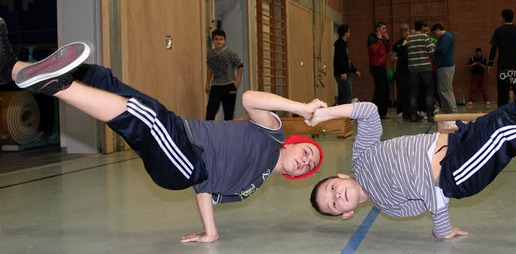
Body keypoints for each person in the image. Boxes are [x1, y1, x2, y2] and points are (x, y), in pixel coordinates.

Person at [309, 8, 516, 239]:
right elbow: (435, 200)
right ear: (347, 214)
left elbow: (365, 113)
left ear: (339, 176)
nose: (338, 197)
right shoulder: (391, 206)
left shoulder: (361, 157)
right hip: (456, 172)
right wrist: (443, 229)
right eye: (334, 205)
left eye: (332, 189)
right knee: (509, 129)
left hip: (457, 140)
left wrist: (326, 114)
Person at [0, 18, 326, 243]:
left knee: (147, 116)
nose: (306, 162)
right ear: (294, 143)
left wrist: (210, 229)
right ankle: (11, 68)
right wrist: (303, 108)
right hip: (181, 132)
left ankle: (53, 84)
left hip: (187, 163)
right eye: (308, 153)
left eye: (308, 168)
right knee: (102, 79)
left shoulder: (252, 186)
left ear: (293, 177)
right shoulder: (272, 135)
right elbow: (252, 97)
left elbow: (205, 188)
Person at [488, 8, 516, 107]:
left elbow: (494, 48)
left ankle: (501, 114)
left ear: (502, 18)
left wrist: (490, 63)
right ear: (513, 17)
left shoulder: (499, 31)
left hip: (503, 67)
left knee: (502, 93)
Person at [205, 29, 244, 121]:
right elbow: (210, 68)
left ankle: (229, 132)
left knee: (228, 113)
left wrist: (237, 81)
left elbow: (240, 66)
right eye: (216, 39)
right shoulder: (210, 53)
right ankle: (209, 131)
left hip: (229, 86)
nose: (219, 41)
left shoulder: (229, 53)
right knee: (210, 111)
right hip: (216, 86)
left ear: (224, 41)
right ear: (213, 41)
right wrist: (207, 83)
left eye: (221, 39)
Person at [406, 20, 436, 122]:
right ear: (422, 28)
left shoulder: (409, 38)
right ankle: (430, 115)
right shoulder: (425, 37)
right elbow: (431, 52)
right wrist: (433, 46)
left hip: (413, 68)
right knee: (429, 93)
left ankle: (413, 115)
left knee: (413, 93)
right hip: (425, 68)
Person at [367, 21, 391, 119]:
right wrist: (380, 39)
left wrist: (387, 40)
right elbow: (375, 51)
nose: (385, 31)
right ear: (378, 29)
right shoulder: (372, 38)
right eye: (383, 29)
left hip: (382, 66)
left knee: (386, 89)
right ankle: (374, 112)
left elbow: (387, 50)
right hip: (375, 66)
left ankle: (382, 113)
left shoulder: (383, 39)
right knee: (380, 89)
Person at [431, 23, 457, 114]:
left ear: (438, 29)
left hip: (446, 66)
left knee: (446, 89)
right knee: (442, 89)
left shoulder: (447, 37)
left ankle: (452, 109)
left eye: (434, 33)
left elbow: (443, 49)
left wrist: (434, 48)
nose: (435, 36)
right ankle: (446, 109)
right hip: (442, 66)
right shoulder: (444, 37)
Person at [333, 24, 361, 105]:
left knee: (343, 95)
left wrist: (354, 70)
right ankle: (346, 114)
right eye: (349, 31)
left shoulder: (344, 44)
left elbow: (347, 60)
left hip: (345, 72)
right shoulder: (339, 45)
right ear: (345, 33)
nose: (350, 33)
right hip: (342, 73)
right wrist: (342, 72)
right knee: (347, 95)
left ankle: (342, 114)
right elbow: (339, 59)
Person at [391, 24, 411, 119]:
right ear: (401, 33)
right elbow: (393, 57)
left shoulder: (411, 42)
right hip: (401, 71)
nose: (406, 33)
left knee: (410, 92)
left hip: (410, 70)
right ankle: (401, 110)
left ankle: (411, 111)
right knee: (402, 92)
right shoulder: (397, 44)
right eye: (404, 31)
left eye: (407, 31)